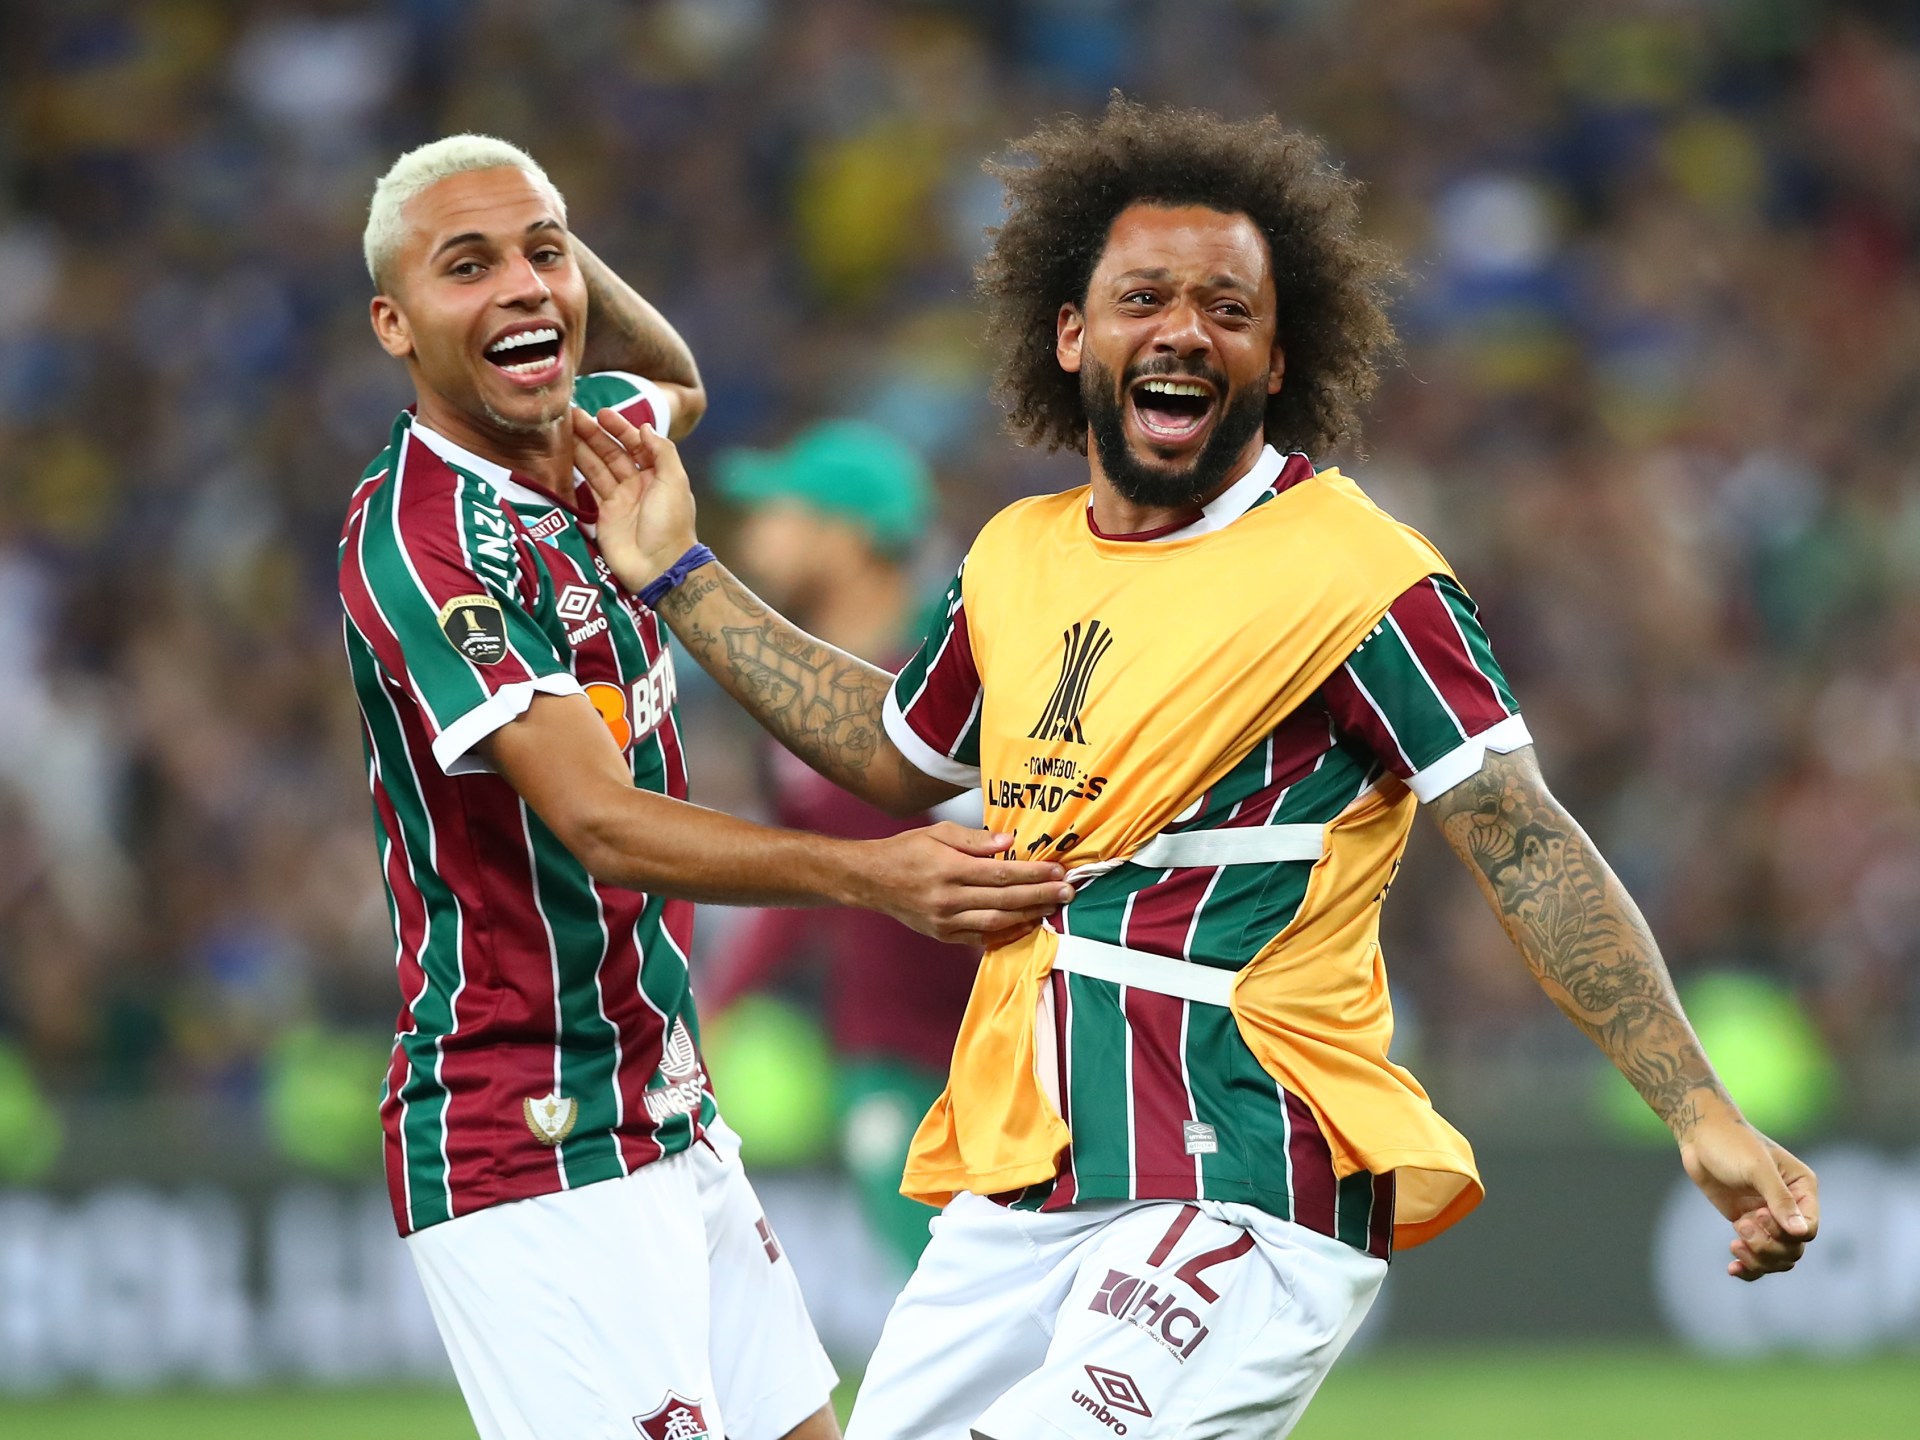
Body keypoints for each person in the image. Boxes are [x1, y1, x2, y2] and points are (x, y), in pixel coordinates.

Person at [568, 99, 1821, 1440]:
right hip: (1025, 1177)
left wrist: (1697, 1107)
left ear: (1278, 359)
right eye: (1144, 297)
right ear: (1073, 335)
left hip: (1246, 1173)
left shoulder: (1359, 576)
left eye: (1229, 308)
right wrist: (681, 579)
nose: (1183, 330)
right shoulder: (1017, 557)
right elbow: (895, 754)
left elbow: (1518, 834)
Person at [336, 134, 1072, 1440]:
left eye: (544, 255)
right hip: (531, 1128)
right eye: (466, 268)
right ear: (391, 323)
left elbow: (672, 376)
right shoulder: (428, 543)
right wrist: (871, 874)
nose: (523, 286)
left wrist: (537, 262)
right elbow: (596, 821)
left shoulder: (584, 447)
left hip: (664, 1106)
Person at [700, 421, 979, 1269]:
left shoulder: (973, 666)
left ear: (848, 533)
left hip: (1027, 1038)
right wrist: (721, 1002)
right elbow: (808, 868)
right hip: (889, 1050)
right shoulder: (790, 703)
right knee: (938, 1292)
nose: (754, 533)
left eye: (779, 509)